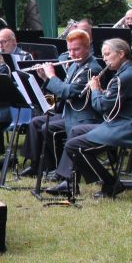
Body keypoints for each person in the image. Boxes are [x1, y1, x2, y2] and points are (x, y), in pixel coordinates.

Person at [47, 38, 132, 196]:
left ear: (121, 53)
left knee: (73, 146)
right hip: (121, 123)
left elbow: (101, 106)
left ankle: (110, 183)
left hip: (130, 128)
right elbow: (116, 102)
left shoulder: (125, 77)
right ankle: (69, 182)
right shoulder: (127, 72)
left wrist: (95, 90)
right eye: (103, 55)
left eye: (107, 54)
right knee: (76, 131)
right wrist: (103, 92)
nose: (104, 59)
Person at [19, 30, 103, 178]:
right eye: (69, 49)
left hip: (83, 117)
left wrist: (51, 76)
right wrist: (45, 78)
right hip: (70, 113)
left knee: (47, 127)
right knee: (36, 122)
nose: (72, 54)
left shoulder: (91, 69)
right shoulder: (74, 66)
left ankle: (59, 171)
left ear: (87, 47)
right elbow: (60, 90)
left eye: (76, 49)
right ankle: (36, 164)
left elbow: (69, 92)